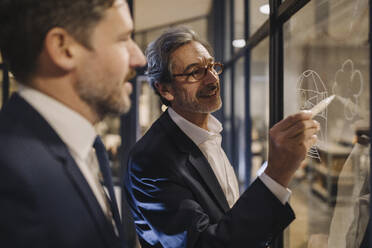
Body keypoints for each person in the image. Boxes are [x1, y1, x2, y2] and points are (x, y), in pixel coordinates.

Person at [124, 26, 320, 248]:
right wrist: (275, 175)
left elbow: (228, 219)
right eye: (194, 72)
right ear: (166, 89)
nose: (211, 79)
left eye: (211, 66)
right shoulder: (150, 160)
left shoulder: (208, 133)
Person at [0, 0, 145, 247]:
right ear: (63, 48)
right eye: (123, 39)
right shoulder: (11, 176)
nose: (139, 58)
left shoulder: (74, 147)